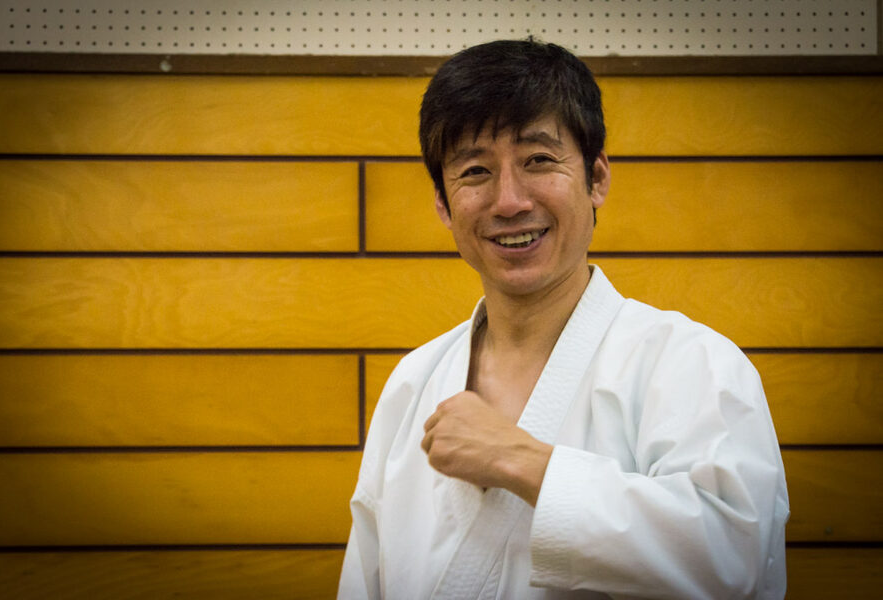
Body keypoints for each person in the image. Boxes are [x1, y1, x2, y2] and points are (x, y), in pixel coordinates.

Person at [338, 39, 789, 599]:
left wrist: (521, 460)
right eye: (475, 171)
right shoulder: (413, 383)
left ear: (597, 179)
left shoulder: (691, 362)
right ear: (443, 204)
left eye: (539, 161)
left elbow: (734, 560)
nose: (509, 201)